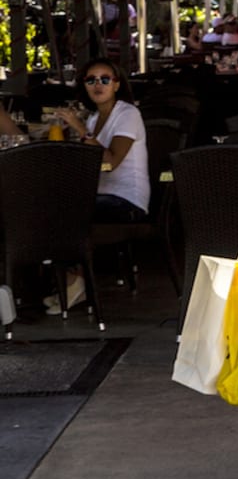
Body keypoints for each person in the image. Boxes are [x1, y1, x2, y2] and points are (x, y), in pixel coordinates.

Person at [51, 58, 151, 313]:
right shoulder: (95, 118)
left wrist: (79, 128)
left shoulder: (127, 114)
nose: (98, 85)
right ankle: (65, 279)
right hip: (100, 195)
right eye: (91, 80)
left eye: (105, 79)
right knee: (51, 206)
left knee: (68, 211)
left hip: (127, 200)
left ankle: (76, 281)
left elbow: (111, 160)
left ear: (116, 84)